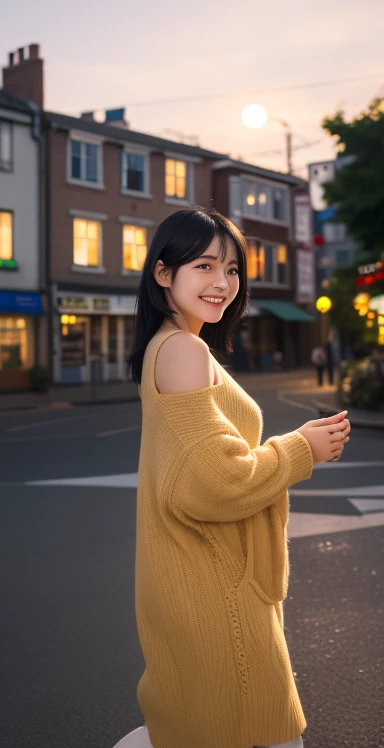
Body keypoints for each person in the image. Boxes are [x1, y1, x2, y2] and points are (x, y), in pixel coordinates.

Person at [128, 207, 350, 748]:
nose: (222, 283)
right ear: (163, 273)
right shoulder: (182, 349)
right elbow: (218, 484)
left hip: (195, 573)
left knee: (195, 725)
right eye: (204, 266)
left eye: (231, 270)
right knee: (259, 728)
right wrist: (303, 448)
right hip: (213, 580)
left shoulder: (170, 345)